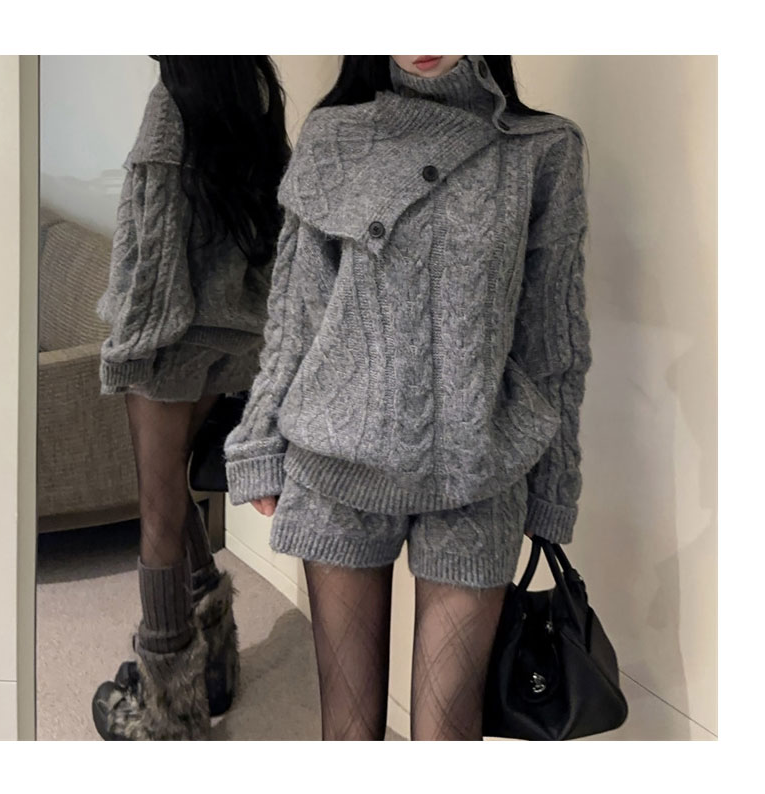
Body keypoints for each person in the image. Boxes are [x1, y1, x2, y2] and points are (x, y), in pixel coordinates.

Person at [224, 55, 592, 740]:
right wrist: (258, 440)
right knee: (349, 731)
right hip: (336, 465)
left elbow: (553, 342)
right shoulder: (334, 135)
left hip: (479, 472)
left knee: (446, 735)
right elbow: (297, 314)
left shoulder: (543, 151)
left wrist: (555, 487)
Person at [91, 55, 291, 741]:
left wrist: (128, 349)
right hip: (229, 339)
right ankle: (212, 661)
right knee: (173, 492)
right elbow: (273, 228)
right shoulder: (251, 83)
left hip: (169, 342)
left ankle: (170, 713)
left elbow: (152, 258)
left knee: (156, 514)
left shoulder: (170, 103)